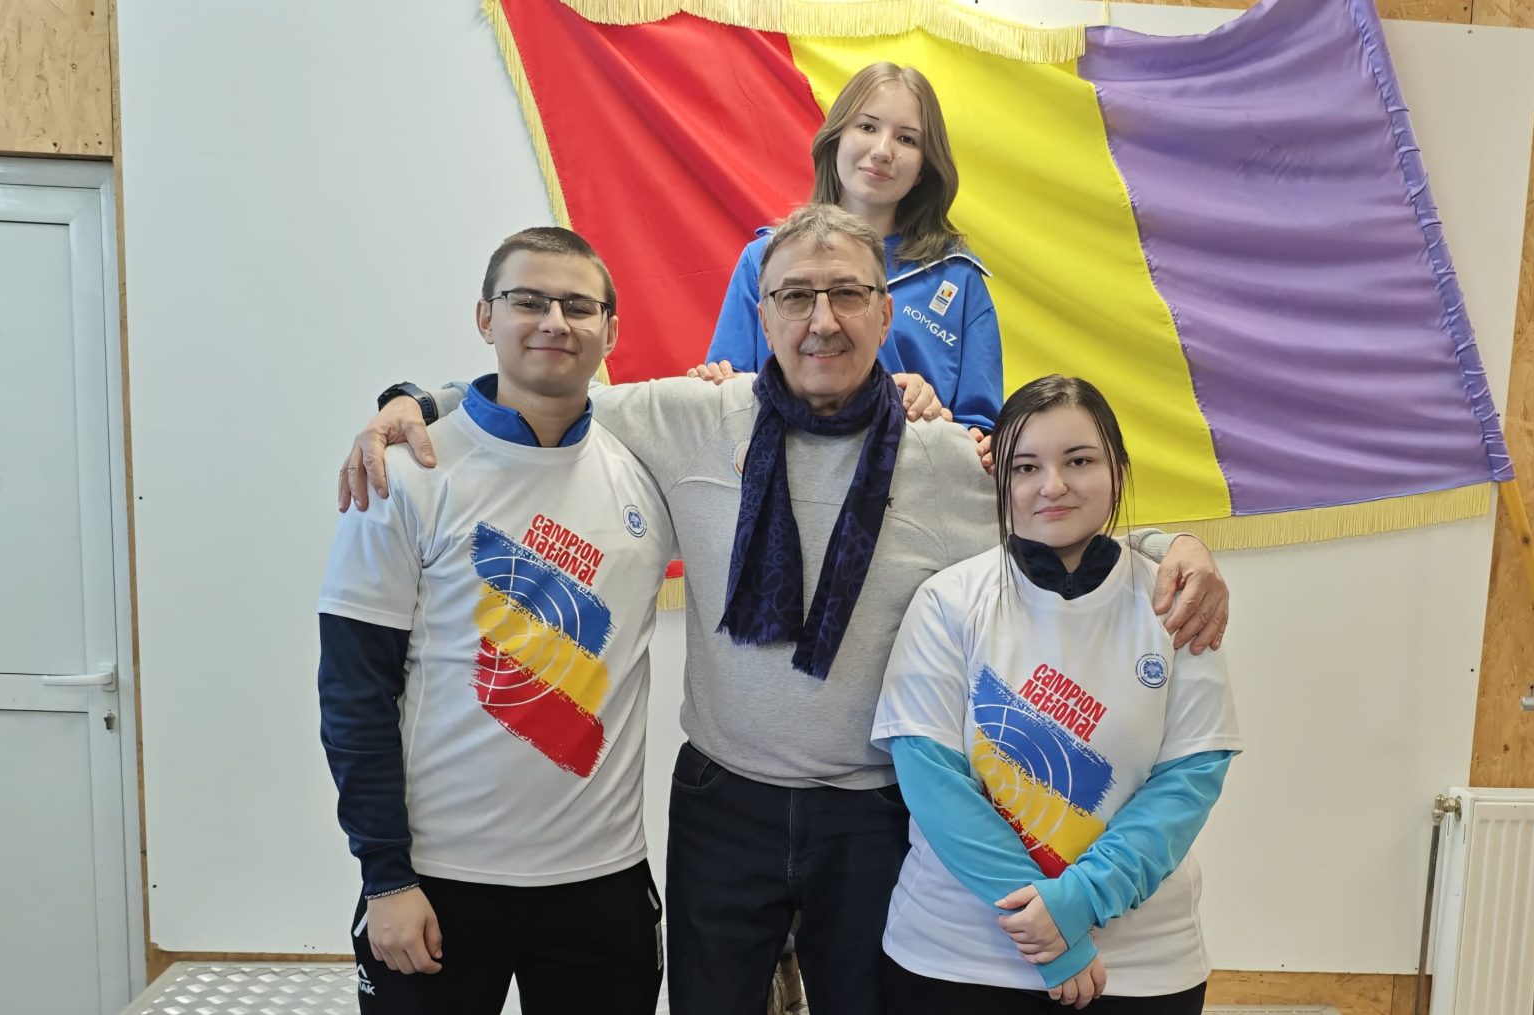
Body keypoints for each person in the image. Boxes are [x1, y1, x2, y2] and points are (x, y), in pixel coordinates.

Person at [338, 204, 1229, 1015]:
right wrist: (415, 404)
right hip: (723, 802)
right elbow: (543, 385)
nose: (821, 319)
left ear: (885, 312)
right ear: (761, 315)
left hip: (872, 814)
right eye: (796, 296)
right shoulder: (687, 416)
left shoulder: (946, 459)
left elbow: (1057, 508)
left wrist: (1171, 548)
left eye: (847, 294)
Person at [317, 227, 676, 1014]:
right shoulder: (405, 473)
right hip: (437, 882)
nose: (554, 321)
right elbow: (353, 693)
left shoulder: (648, 472)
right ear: (486, 317)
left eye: (578, 306)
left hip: (602, 882)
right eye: (528, 300)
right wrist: (386, 876)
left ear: (611, 330)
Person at [872, 375, 1241, 1013]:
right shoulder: (947, 601)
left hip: (1140, 965)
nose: (1053, 485)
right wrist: (1050, 938)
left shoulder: (1177, 603)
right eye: (1026, 467)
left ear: (1119, 471)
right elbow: (932, 781)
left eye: (1079, 461)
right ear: (1000, 482)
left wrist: (1079, 902)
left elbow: (1188, 780)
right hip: (958, 957)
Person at [693, 62, 1003, 432]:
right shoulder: (763, 260)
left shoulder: (957, 279)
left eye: (907, 139)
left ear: (924, 166)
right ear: (836, 137)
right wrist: (712, 387)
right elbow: (727, 409)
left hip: (910, 467)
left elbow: (980, 433)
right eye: (868, 127)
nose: (883, 151)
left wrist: (939, 422)